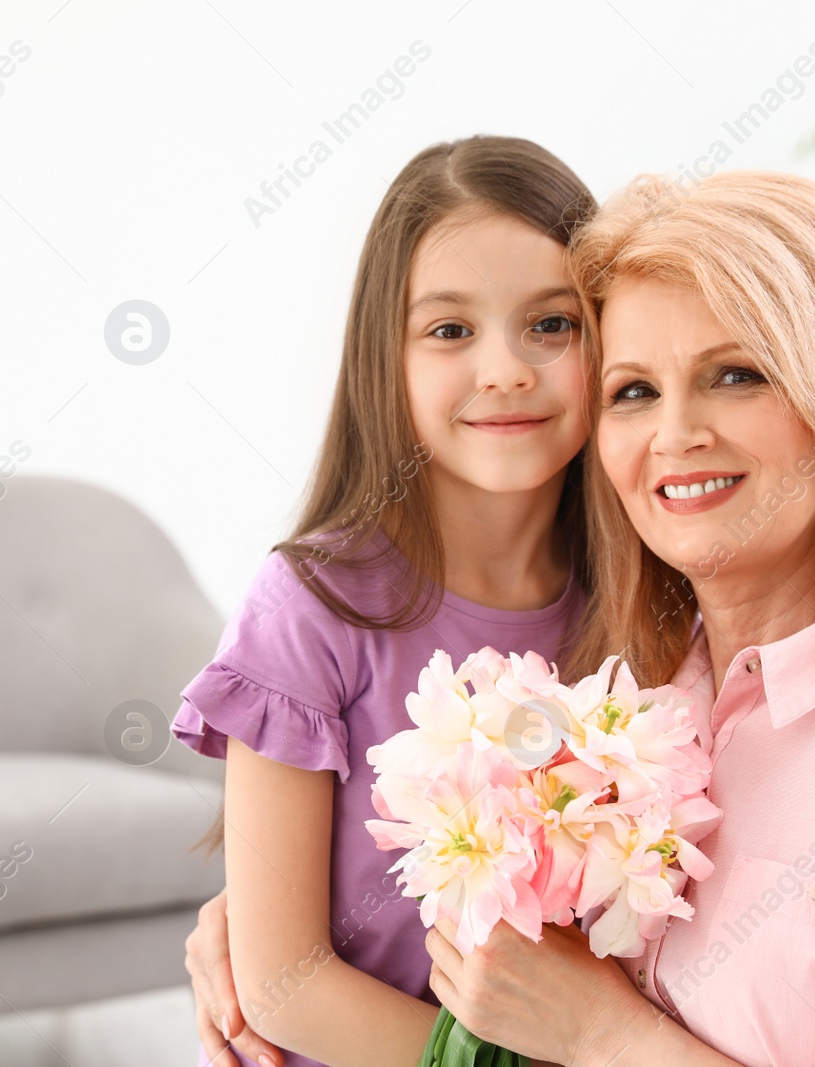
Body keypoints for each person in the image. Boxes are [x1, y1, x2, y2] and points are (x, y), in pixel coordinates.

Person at [189, 170, 815, 1066]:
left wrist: (609, 1040)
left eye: (738, 374)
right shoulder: (623, 708)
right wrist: (285, 907)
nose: (677, 432)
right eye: (634, 390)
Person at [170, 135, 596, 1067]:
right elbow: (283, 982)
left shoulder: (644, 602)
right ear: (385, 358)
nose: (506, 369)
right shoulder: (313, 608)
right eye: (451, 330)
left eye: (552, 325)